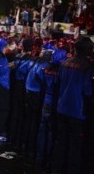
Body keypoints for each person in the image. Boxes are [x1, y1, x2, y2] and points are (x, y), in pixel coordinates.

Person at [51, 37, 94, 174]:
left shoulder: (64, 63)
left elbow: (57, 83)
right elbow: (87, 92)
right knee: (75, 146)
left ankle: (56, 169)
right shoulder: (87, 67)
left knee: (61, 141)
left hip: (62, 107)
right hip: (77, 111)